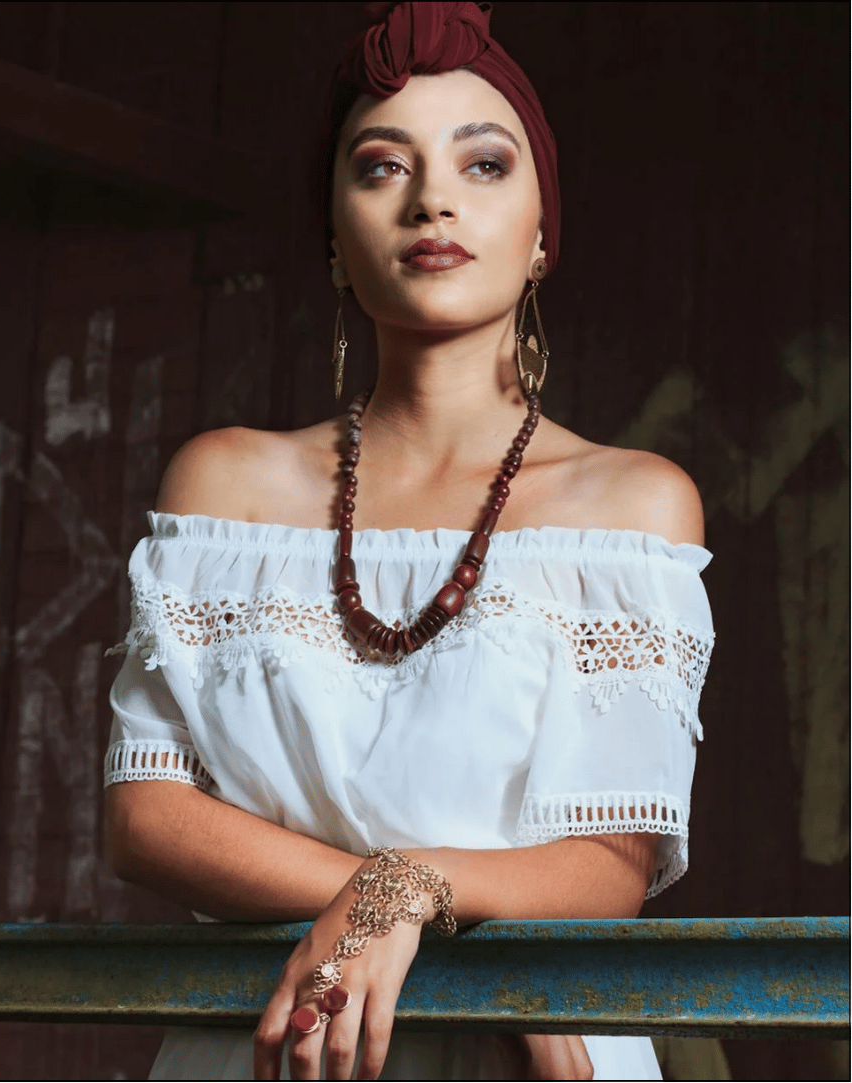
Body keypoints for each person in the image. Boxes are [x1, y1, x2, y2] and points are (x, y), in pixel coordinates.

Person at [104, 3, 714, 1079]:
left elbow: (613, 860)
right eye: (383, 167)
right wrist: (396, 902)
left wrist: (406, 893)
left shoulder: (633, 504)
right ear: (333, 235)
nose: (432, 197)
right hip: (275, 1039)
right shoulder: (226, 483)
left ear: (539, 233)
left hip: (525, 1050)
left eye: (482, 165)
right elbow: (149, 816)